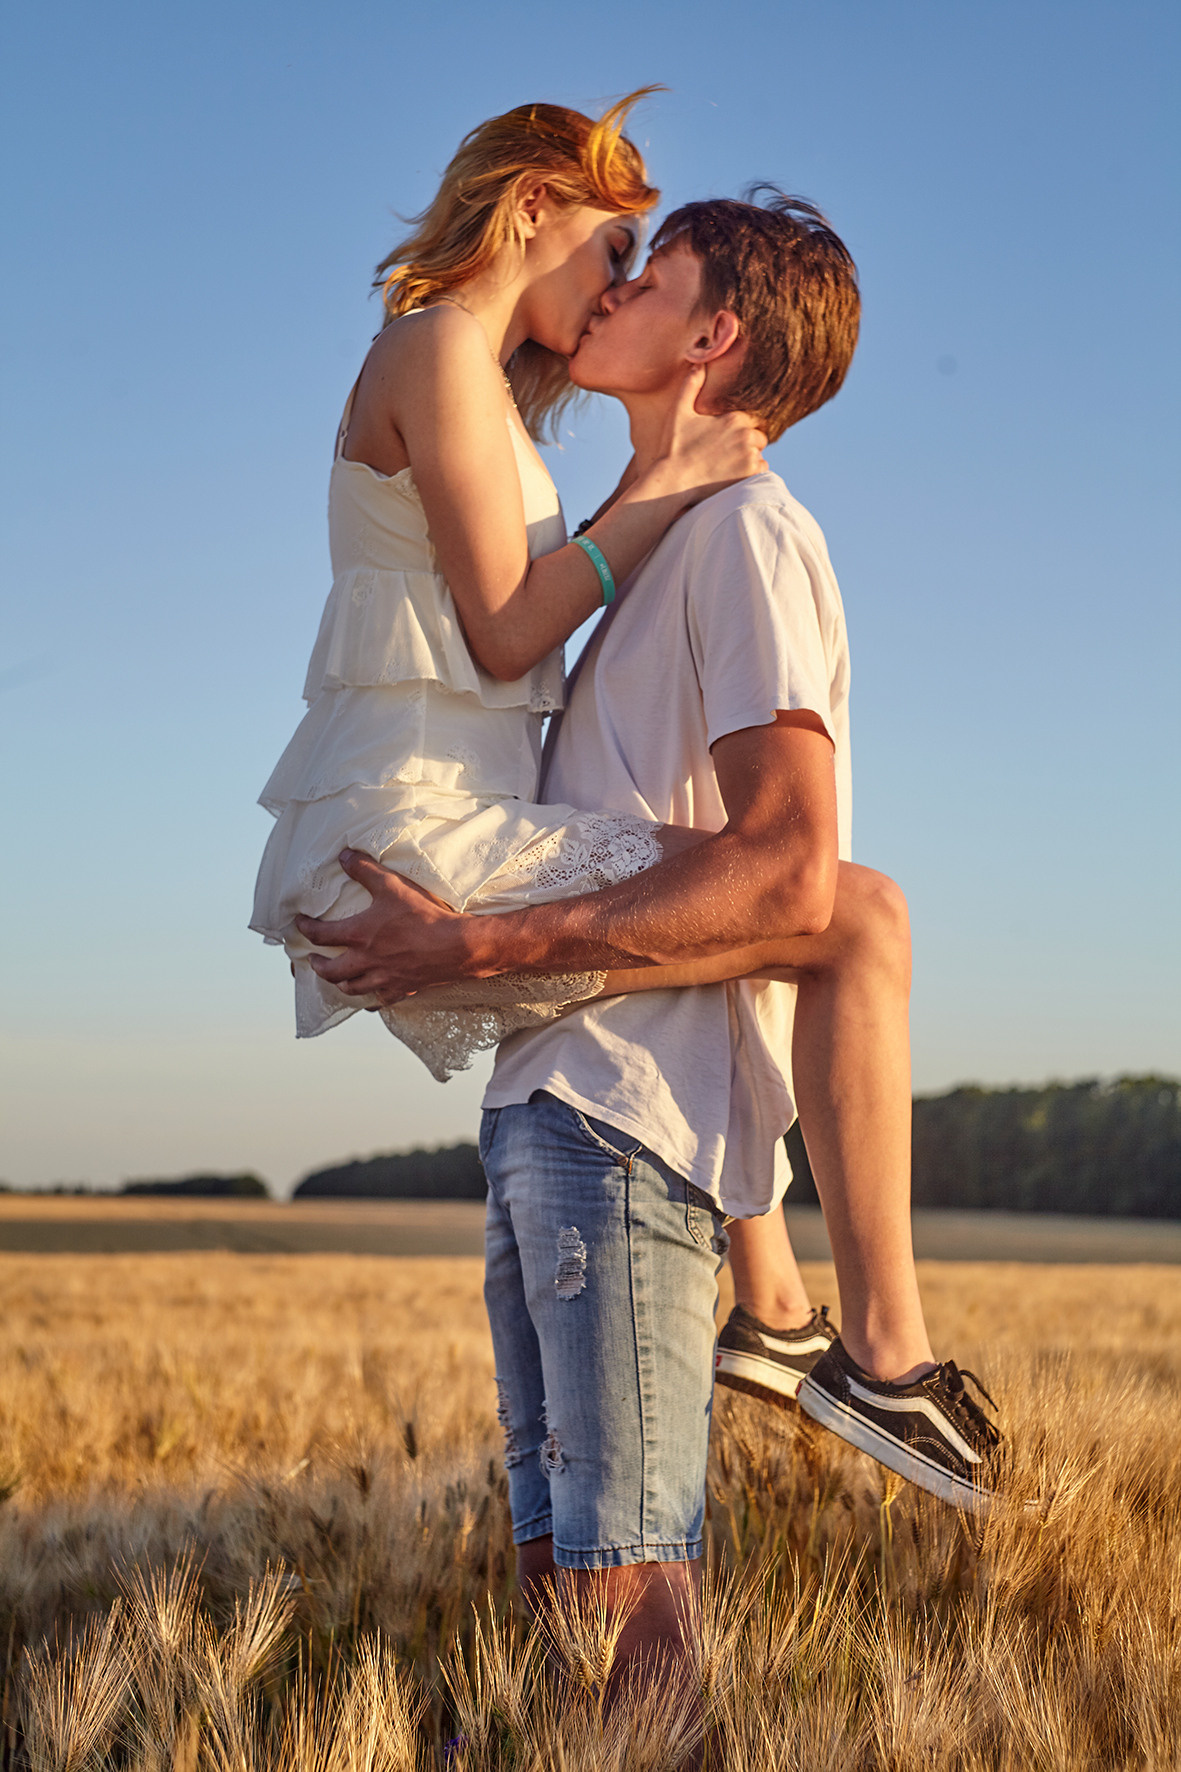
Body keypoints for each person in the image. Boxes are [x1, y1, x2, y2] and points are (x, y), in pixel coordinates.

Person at [298, 192, 1003, 1699]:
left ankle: (866, 1349)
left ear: (712, 336)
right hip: (544, 1107)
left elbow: (789, 870)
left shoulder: (747, 534)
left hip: (629, 1124)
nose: (608, 292)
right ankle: (801, 1319)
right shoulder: (649, 550)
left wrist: (483, 945)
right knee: (564, 1611)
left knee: (630, 1622)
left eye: (646, 274)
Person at [250, 91, 764, 1081]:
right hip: (415, 839)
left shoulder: (471, 376)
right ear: (532, 205)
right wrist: (667, 486)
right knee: (831, 912)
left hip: (444, 828)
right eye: (614, 250)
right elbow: (504, 630)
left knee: (811, 918)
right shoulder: (436, 343)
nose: (616, 290)